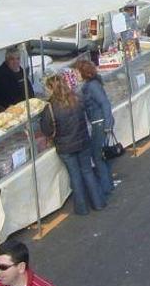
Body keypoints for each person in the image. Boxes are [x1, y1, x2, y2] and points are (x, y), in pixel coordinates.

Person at [40, 74, 106, 215]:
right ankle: (98, 202)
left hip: (65, 147)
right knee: (88, 172)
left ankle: (82, 209)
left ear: (51, 89)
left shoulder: (50, 108)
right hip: (83, 141)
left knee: (75, 176)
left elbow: (47, 129)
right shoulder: (76, 99)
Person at [74, 60, 115, 197]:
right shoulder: (90, 85)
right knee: (102, 154)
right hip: (99, 123)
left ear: (83, 72)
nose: (75, 74)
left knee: (98, 156)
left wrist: (108, 125)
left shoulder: (92, 87)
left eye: (76, 72)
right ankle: (108, 183)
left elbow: (105, 104)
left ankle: (105, 187)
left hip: (99, 123)